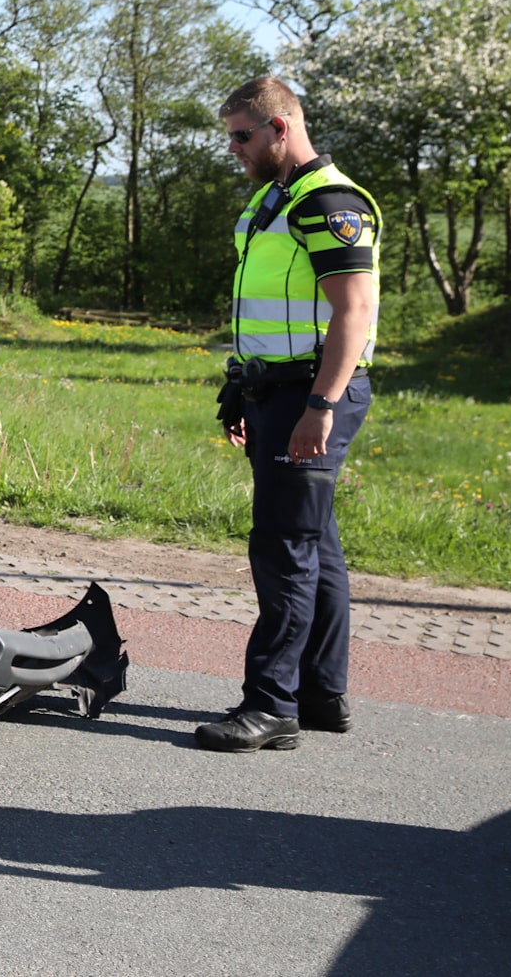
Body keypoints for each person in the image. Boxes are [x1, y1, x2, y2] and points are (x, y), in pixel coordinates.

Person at [197, 77, 378, 753]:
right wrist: (241, 386)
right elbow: (266, 306)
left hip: (312, 394)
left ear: (280, 128)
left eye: (242, 136)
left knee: (283, 548)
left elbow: (352, 312)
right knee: (315, 542)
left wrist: (320, 406)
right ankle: (320, 694)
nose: (234, 150)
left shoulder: (328, 203)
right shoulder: (273, 201)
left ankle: (271, 706)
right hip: (273, 392)